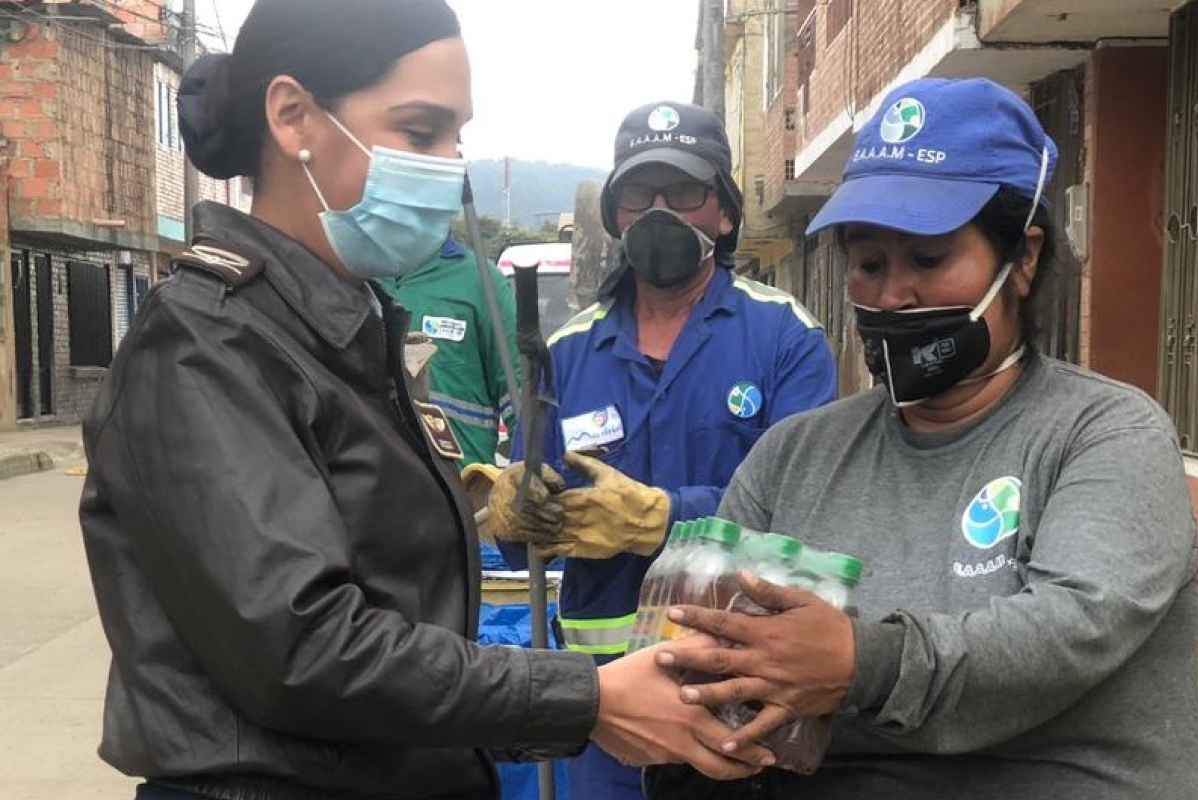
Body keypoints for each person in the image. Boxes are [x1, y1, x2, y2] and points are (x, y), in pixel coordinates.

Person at [76, 3, 775, 799]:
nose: (449, 167)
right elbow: (304, 649)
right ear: (294, 116)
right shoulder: (205, 345)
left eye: (457, 137)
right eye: (420, 131)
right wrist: (586, 698)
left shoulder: (346, 327)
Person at [646, 77, 1198, 800]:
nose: (893, 297)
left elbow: (1071, 630)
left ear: (1023, 259)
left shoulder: (1105, 433)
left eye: (928, 260)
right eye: (869, 264)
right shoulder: (793, 457)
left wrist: (862, 662)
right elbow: (715, 661)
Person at [482, 101, 838, 799]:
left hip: (741, 696)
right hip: (607, 709)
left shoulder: (785, 339)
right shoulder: (564, 353)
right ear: (616, 216)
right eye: (639, 195)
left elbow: (810, 514)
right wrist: (512, 510)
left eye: (683, 193)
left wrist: (663, 520)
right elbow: (529, 538)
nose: (658, 212)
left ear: (724, 212)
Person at [381, 234, 518, 468]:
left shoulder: (481, 281)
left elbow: (525, 404)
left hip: (462, 483)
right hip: (373, 482)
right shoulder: (355, 278)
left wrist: (531, 476)